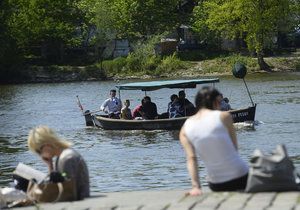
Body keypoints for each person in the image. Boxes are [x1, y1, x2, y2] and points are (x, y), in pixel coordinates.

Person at [179, 87, 248, 196]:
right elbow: (234, 149)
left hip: (215, 184)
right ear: (215, 102)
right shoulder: (224, 116)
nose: (220, 105)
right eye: (220, 102)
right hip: (240, 177)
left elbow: (191, 159)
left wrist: (196, 187)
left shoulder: (185, 128)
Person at [27, 126, 90, 200]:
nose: (40, 155)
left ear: (47, 144)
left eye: (39, 151)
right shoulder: (61, 157)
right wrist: (50, 165)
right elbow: (60, 185)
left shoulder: (67, 159)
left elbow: (69, 191)